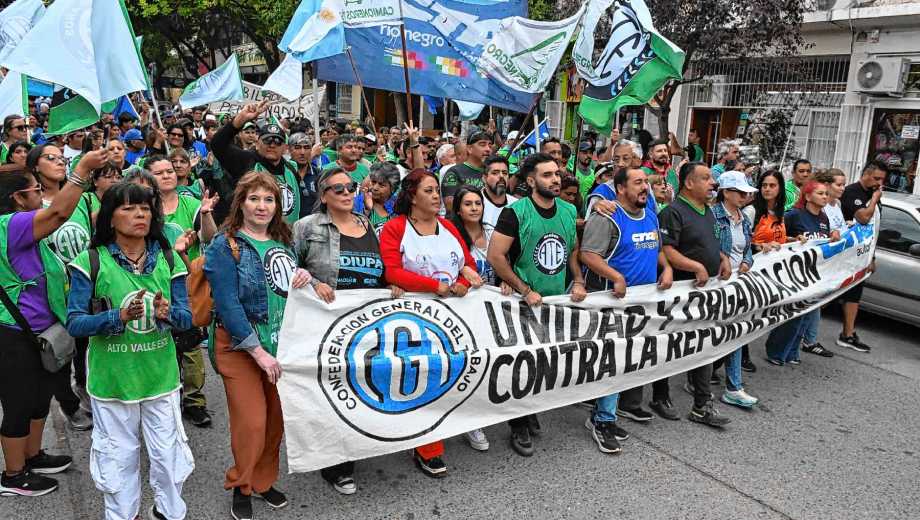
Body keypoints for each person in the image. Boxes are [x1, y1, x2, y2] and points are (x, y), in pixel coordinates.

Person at [66, 181, 193, 520]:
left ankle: (168, 512)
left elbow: (187, 318)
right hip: (112, 381)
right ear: (109, 217)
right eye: (127, 208)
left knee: (169, 457)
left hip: (160, 377)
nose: (139, 214)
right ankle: (123, 515)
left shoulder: (170, 259)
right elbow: (75, 323)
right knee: (117, 459)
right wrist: (116, 317)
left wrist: (168, 314)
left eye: (145, 208)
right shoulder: (89, 261)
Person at [204, 172, 311, 520]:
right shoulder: (226, 244)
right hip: (240, 348)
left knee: (276, 421)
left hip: (281, 344)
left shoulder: (283, 239)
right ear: (241, 203)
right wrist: (257, 351)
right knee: (252, 422)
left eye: (269, 199)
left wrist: (304, 278)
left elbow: (286, 287)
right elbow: (228, 303)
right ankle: (242, 484)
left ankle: (264, 482)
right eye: (254, 199)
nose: (262, 206)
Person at [0, 151, 106, 498]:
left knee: (39, 397)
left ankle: (33, 456)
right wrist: (82, 172)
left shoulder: (19, 222)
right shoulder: (10, 224)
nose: (39, 197)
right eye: (34, 191)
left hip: (40, 331)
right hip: (15, 334)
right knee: (18, 403)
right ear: (18, 198)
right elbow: (60, 212)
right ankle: (14, 476)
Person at [293, 168, 402, 495]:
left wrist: (391, 284)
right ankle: (336, 465)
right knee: (333, 389)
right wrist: (312, 281)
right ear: (323, 195)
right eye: (336, 188)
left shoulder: (367, 223)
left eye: (349, 187)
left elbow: (380, 266)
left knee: (360, 387)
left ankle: (352, 448)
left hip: (366, 323)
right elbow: (286, 265)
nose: (345, 192)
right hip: (326, 323)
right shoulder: (306, 227)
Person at [379, 169, 480, 478]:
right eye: (429, 190)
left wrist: (464, 280)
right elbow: (392, 272)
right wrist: (434, 287)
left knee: (454, 372)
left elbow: (468, 263)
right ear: (412, 196)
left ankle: (460, 425)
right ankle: (428, 447)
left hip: (453, 318)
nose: (437, 196)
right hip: (414, 320)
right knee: (422, 378)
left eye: (437, 190)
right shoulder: (395, 229)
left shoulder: (448, 226)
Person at [487, 153, 587, 457]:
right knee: (521, 365)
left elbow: (572, 250)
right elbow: (496, 256)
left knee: (544, 362)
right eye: (546, 175)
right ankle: (518, 424)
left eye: (556, 174)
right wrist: (524, 288)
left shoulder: (569, 210)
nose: (555, 179)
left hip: (555, 303)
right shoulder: (515, 213)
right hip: (522, 303)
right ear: (531, 181)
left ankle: (530, 412)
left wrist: (579, 280)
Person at [579, 166, 673, 453]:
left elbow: (657, 249)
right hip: (611, 305)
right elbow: (587, 254)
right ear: (620, 189)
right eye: (638, 183)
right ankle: (603, 420)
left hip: (641, 306)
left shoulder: (651, 216)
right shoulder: (607, 217)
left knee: (626, 362)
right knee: (613, 361)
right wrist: (617, 277)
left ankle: (604, 413)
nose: (645, 187)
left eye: (646, 182)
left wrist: (666, 267)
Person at [657, 161, 732, 427]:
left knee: (704, 346)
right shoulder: (673, 212)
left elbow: (708, 243)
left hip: (705, 295)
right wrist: (695, 266)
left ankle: (702, 404)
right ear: (689, 183)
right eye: (705, 178)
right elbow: (666, 250)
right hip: (680, 294)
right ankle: (660, 395)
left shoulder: (707, 211)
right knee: (670, 347)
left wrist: (722, 258)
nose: (713, 183)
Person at [27, 144, 95, 430]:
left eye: (61, 157)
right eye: (50, 157)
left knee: (86, 342)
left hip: (85, 285)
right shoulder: (29, 205)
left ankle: (84, 386)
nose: (59, 162)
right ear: (34, 166)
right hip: (51, 293)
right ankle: (68, 403)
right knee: (59, 349)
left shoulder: (81, 198)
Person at [147, 155, 218, 428]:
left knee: (190, 343)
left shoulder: (190, 203)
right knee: (160, 340)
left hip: (189, 283)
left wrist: (207, 212)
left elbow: (210, 237)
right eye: (160, 172)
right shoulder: (145, 206)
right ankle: (163, 398)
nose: (168, 175)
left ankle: (194, 401)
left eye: (171, 170)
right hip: (155, 282)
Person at [765, 181, 840, 365]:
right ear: (807, 197)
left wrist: (833, 236)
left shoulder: (823, 218)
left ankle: (792, 352)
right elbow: (777, 236)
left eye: (825, 194)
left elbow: (822, 243)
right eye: (820, 193)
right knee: (792, 315)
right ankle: (776, 351)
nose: (825, 196)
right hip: (794, 274)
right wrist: (793, 239)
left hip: (814, 275)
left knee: (805, 316)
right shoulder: (794, 215)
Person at [709, 171, 760, 408]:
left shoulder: (744, 218)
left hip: (738, 285)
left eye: (746, 192)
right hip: (716, 285)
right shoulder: (712, 216)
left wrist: (747, 261)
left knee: (736, 332)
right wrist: (722, 261)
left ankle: (733, 386)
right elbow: (705, 245)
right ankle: (703, 378)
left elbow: (746, 247)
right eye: (740, 192)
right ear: (726, 192)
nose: (744, 196)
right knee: (712, 334)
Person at [211, 100, 301, 225]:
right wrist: (240, 119)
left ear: (285, 148)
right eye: (267, 140)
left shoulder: (291, 170)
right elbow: (218, 144)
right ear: (257, 144)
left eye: (277, 141)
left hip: (285, 239)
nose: (272, 144)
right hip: (251, 238)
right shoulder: (246, 161)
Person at [837, 161, 887, 353]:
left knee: (854, 295)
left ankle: (847, 335)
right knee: (830, 295)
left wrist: (871, 257)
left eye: (882, 179)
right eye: (876, 178)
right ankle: (803, 334)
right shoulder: (852, 192)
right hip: (844, 254)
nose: (879, 183)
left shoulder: (874, 194)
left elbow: (872, 228)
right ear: (865, 174)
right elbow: (864, 217)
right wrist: (874, 198)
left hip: (862, 254)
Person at [451, 186, 496, 288]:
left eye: (478, 203)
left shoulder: (492, 232)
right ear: (458, 210)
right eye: (468, 204)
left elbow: (505, 266)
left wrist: (505, 282)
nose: (474, 208)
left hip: (493, 299)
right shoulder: (450, 236)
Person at [441, 131, 493, 211]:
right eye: (482, 144)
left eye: (490, 145)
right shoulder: (454, 172)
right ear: (469, 149)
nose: (488, 149)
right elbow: (450, 206)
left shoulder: (492, 172)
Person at [356, 162, 399, 235]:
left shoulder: (398, 206)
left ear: (392, 189)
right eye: (373, 182)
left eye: (381, 185)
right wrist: (366, 210)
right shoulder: (357, 203)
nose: (375, 188)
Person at [480, 155, 517, 230]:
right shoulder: (476, 203)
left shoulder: (516, 205)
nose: (501, 176)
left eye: (505, 173)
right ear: (484, 178)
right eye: (495, 173)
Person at [288, 132, 320, 218]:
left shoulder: (318, 174)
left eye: (306, 148)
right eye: (297, 148)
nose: (302, 152)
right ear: (289, 150)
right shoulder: (282, 172)